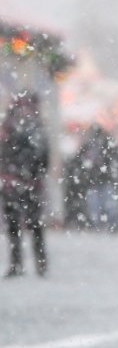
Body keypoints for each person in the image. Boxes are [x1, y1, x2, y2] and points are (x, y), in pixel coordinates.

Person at [1, 92, 50, 277]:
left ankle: (17, 263)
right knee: (34, 225)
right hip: (29, 182)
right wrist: (37, 175)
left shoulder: (9, 124)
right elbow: (44, 154)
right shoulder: (35, 125)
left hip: (11, 182)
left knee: (15, 225)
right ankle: (40, 264)